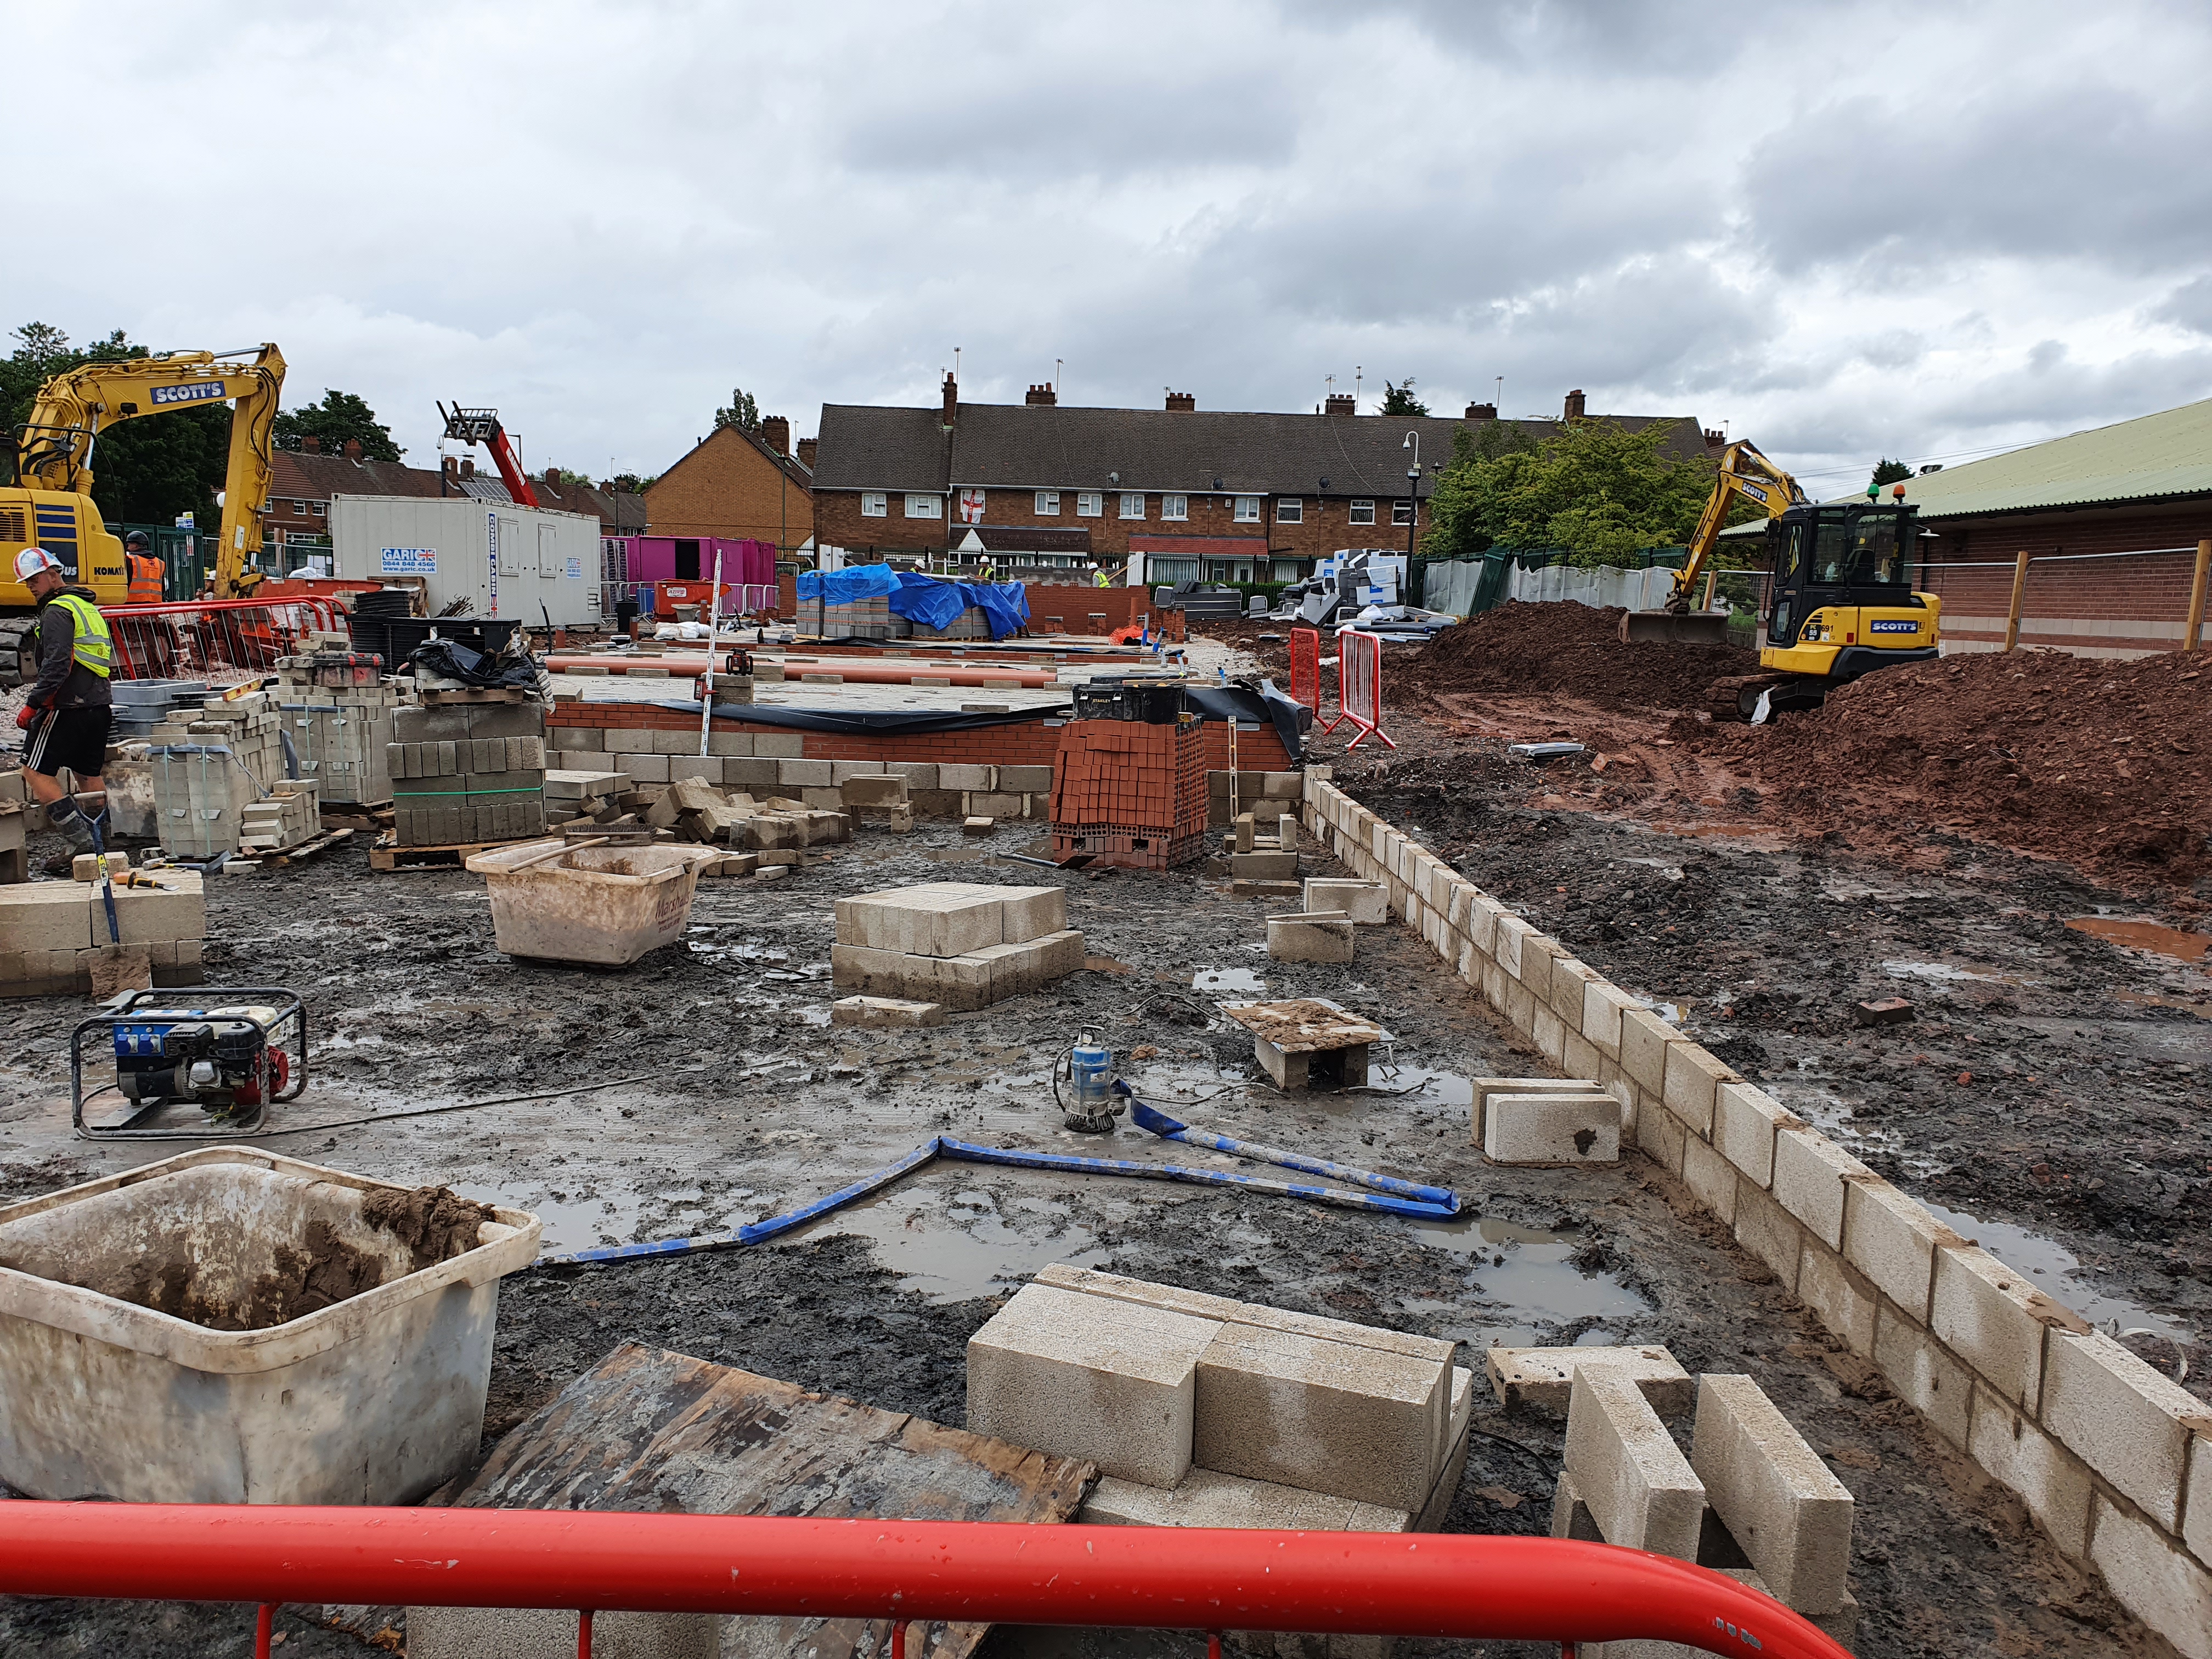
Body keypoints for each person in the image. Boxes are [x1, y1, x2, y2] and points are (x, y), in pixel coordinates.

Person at [12, 548, 115, 866]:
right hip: (98, 704)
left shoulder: (57, 611)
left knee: (34, 771)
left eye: (34, 579)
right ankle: (103, 843)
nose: (30, 586)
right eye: (27, 581)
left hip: (67, 705)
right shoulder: (85, 605)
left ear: (53, 574)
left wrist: (34, 704)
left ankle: (83, 843)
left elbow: (58, 663)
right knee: (88, 774)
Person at [123, 531, 166, 605]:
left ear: (135, 545)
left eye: (129, 544)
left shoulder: (130, 560)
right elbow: (163, 586)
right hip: (155, 604)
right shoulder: (159, 563)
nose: (128, 548)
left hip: (132, 604)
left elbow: (126, 582)